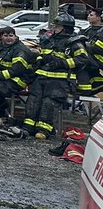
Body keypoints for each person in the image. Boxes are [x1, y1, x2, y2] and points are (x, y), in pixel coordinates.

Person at [23, 12, 86, 140]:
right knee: (33, 100)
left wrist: (62, 63)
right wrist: (40, 60)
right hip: (42, 77)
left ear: (65, 27)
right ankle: (28, 127)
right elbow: (43, 53)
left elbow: (82, 59)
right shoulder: (50, 40)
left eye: (57, 26)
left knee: (49, 102)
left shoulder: (73, 42)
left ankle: (44, 130)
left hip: (60, 80)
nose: (55, 28)